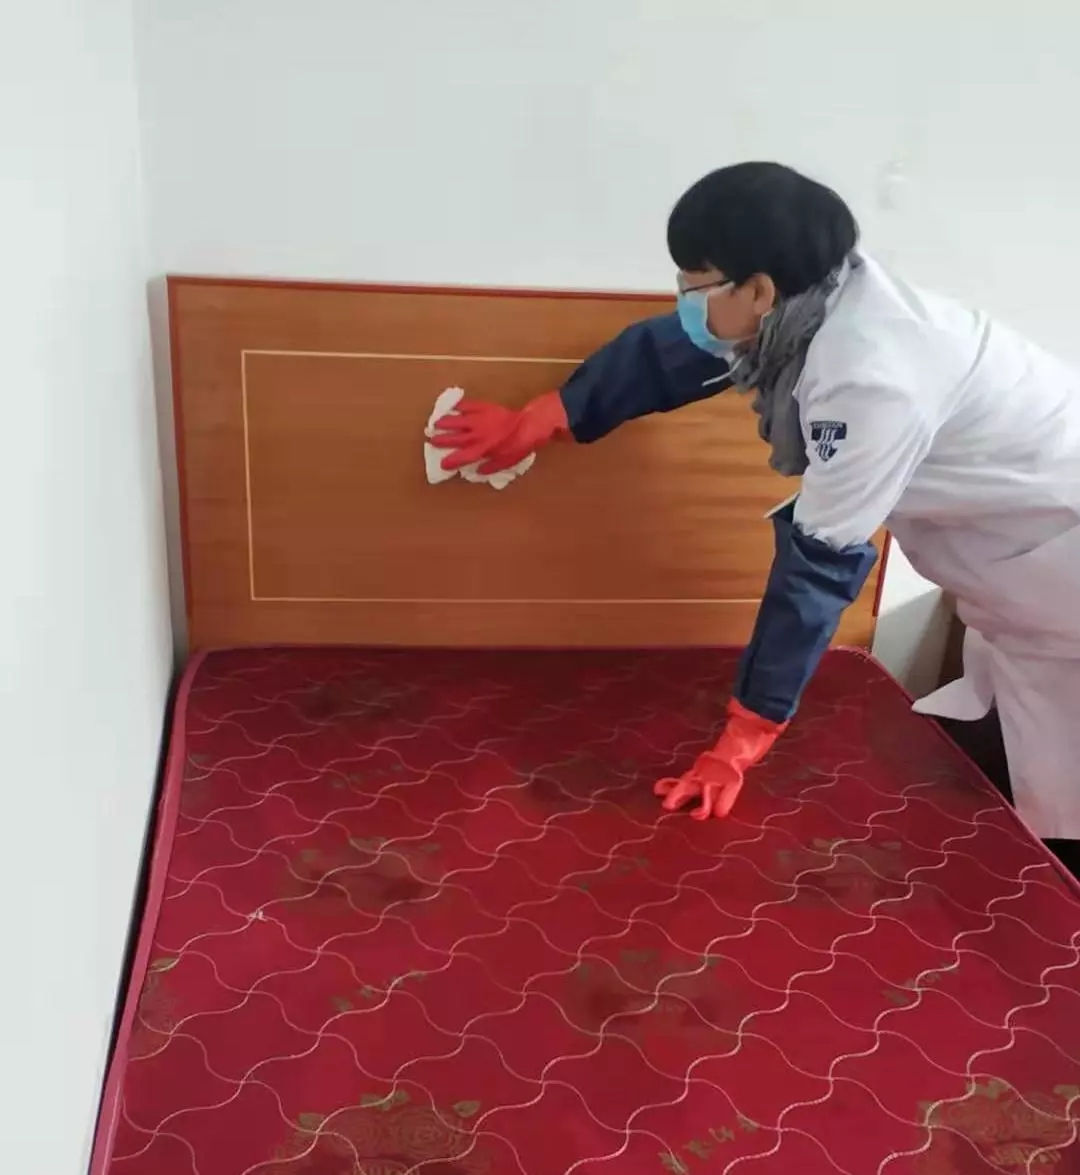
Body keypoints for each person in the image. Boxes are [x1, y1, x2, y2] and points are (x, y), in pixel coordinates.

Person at [431, 162, 1080, 851]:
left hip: (1057, 570)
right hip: (1017, 575)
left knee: (1063, 804)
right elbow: (684, 349)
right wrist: (545, 415)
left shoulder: (869, 380)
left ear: (759, 288)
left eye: (693, 287)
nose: (685, 302)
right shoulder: (812, 299)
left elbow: (816, 568)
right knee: (1035, 771)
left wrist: (744, 736)